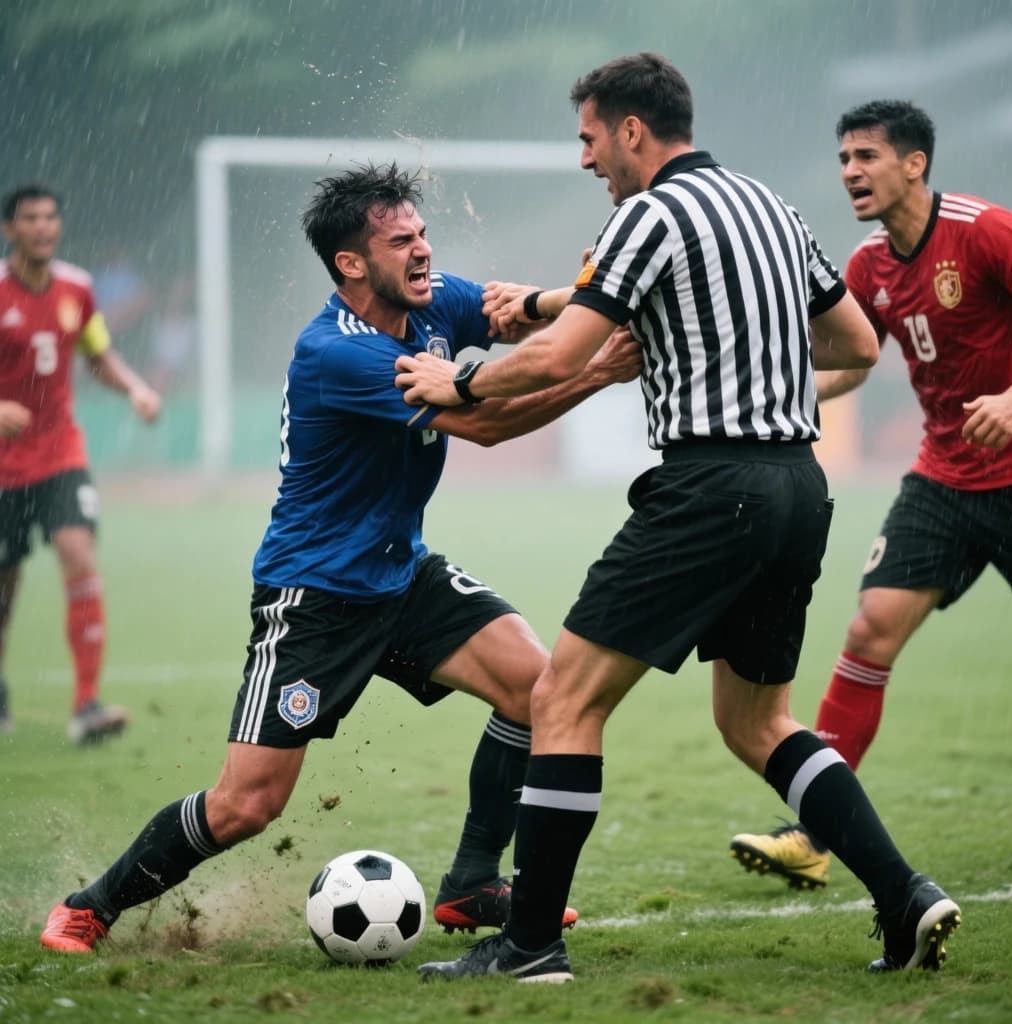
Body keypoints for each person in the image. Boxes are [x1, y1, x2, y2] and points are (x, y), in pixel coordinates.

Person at [398, 53, 961, 981]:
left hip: (711, 490)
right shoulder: (768, 205)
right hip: (798, 487)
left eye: (588, 139)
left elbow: (559, 356)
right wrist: (755, 368)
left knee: (562, 699)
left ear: (631, 131)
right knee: (760, 724)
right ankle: (905, 896)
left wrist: (453, 376)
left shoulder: (647, 213)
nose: (585, 160)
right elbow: (857, 343)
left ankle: (531, 945)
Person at [39, 162, 640, 953]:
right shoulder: (337, 353)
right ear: (352, 263)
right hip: (315, 596)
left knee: (541, 690)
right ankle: (90, 905)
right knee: (246, 805)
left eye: (423, 233)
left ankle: (469, 884)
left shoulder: (431, 304)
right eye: (401, 241)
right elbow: (487, 425)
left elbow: (511, 308)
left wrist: (601, 294)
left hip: (404, 572)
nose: (423, 250)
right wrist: (600, 369)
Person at [729, 100, 1012, 889]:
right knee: (870, 631)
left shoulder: (986, 229)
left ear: (914, 164)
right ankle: (818, 832)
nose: (851, 172)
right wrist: (776, 396)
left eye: (865, 156)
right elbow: (856, 364)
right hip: (944, 479)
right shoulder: (867, 265)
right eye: (843, 160)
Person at [0, 185, 162, 743]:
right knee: (5, 584)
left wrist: (136, 388)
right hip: (2, 468)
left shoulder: (77, 288)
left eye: (50, 217)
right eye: (30, 218)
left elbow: (97, 354)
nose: (43, 226)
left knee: (78, 554)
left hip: (61, 454)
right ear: (9, 229)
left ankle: (87, 705)